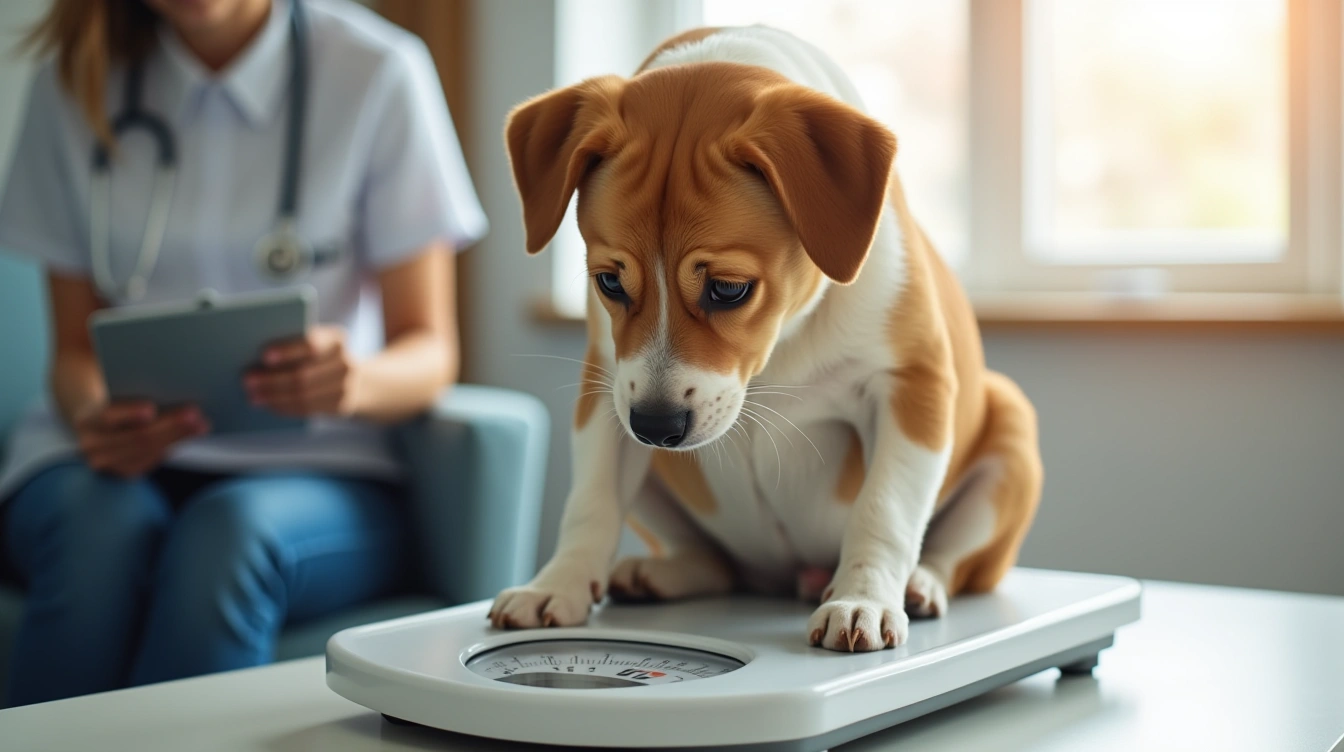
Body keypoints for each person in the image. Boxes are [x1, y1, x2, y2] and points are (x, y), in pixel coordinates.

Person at [0, 0, 486, 707]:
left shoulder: (379, 71)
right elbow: (73, 348)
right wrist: (94, 415)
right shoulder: (71, 80)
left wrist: (351, 382)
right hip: (103, 465)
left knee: (227, 537)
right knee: (96, 537)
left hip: (317, 474)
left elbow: (431, 350)